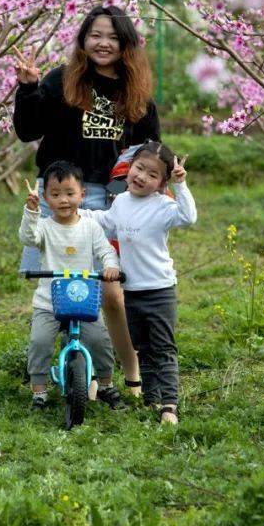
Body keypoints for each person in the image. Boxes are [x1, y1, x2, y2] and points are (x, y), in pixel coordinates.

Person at [13, 4, 160, 397]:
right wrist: (28, 89)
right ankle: (72, 369)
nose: (103, 43)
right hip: (59, 196)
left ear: (126, 43)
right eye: (95, 35)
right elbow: (27, 130)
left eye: (112, 36)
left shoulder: (135, 91)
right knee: (57, 286)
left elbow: (151, 149)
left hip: (111, 200)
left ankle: (130, 374)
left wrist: (153, 194)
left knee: (111, 290)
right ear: (83, 39)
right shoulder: (62, 80)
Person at [84, 141, 196, 425]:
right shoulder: (121, 202)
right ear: (129, 167)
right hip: (132, 290)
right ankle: (151, 398)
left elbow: (189, 217)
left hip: (159, 290)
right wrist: (77, 212)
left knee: (163, 348)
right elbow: (106, 222)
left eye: (152, 174)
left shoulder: (164, 206)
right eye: (139, 168)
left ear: (161, 183)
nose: (142, 177)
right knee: (142, 347)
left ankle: (169, 405)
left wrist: (181, 187)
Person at [19, 160, 128, 411]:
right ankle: (39, 390)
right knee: (39, 340)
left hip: (84, 299)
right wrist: (32, 213)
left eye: (70, 193)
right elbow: (28, 238)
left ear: (82, 194)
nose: (63, 200)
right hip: (50, 301)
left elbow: (106, 252)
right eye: (55, 195)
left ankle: (106, 384)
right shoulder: (44, 227)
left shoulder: (90, 227)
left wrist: (111, 267)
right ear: (46, 197)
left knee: (100, 340)